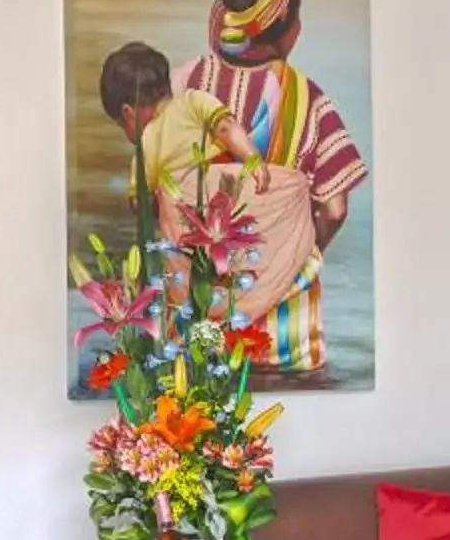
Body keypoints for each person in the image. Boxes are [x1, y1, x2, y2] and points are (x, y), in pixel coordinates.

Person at [176, 0, 366, 375]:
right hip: (286, 338)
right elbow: (335, 209)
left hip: (203, 318)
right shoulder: (309, 101)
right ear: (292, 31)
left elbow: (158, 191)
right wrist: (292, 254)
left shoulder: (186, 84)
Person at [96, 40, 314, 338]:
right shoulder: (193, 100)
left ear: (128, 113)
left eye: (122, 125)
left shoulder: (146, 143)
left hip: (189, 216)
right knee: (293, 187)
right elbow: (226, 129)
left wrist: (165, 204)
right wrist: (253, 160)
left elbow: (143, 206)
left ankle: (196, 327)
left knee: (186, 281)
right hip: (222, 200)